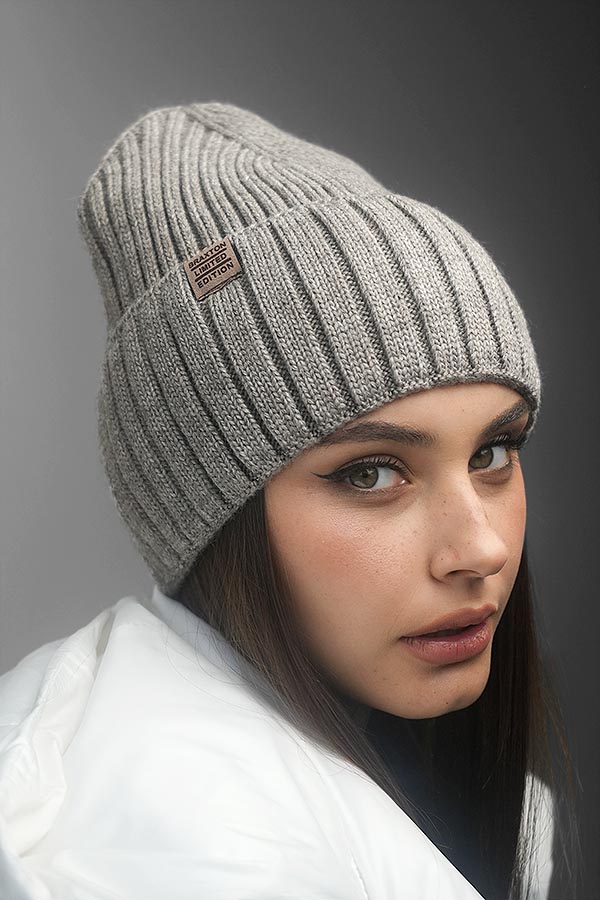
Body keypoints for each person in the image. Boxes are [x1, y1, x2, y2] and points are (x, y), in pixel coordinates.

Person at [0, 101, 577, 900]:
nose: (482, 548)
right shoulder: (195, 856)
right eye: (371, 474)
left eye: (492, 453)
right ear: (212, 513)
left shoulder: (395, 777)